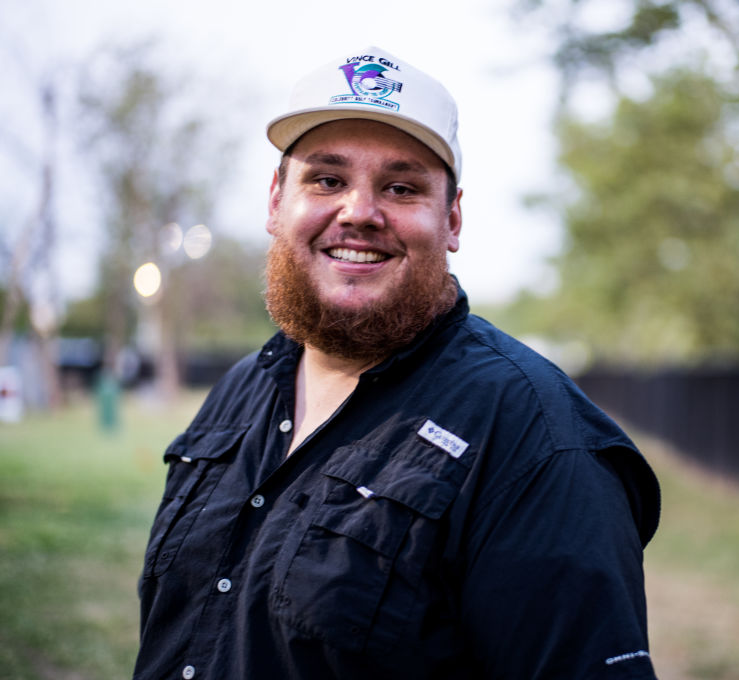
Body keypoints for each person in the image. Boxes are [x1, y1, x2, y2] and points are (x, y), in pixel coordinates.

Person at [133, 45, 661, 680]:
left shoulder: (537, 441)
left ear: (452, 220)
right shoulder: (242, 389)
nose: (359, 212)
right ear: (276, 201)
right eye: (327, 180)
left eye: (401, 188)